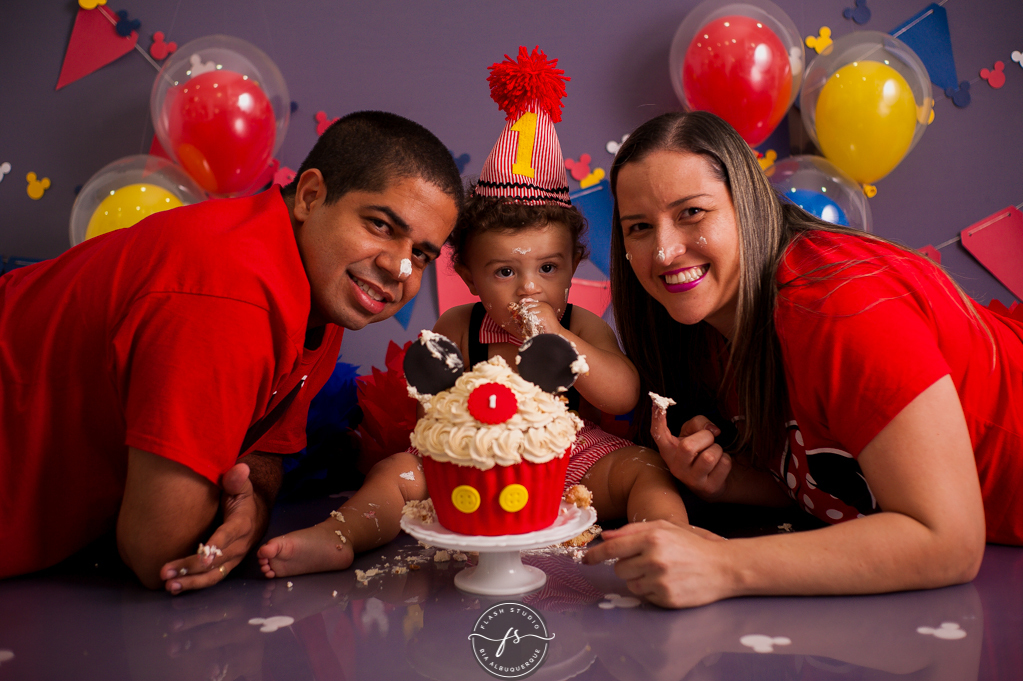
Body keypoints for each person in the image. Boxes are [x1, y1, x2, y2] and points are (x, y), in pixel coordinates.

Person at [256, 46, 690, 580]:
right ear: (468, 277)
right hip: (473, 462)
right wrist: (442, 401)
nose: (529, 288)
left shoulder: (579, 324)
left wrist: (562, 341)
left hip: (569, 459)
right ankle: (342, 534)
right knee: (399, 472)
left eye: (548, 269)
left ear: (575, 264)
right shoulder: (461, 327)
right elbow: (429, 416)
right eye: (505, 273)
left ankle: (669, 539)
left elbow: (623, 395)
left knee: (643, 469)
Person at [0, 111, 462, 593]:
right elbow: (159, 550)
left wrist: (256, 498)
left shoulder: (319, 286)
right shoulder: (230, 296)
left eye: (423, 254)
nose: (399, 267)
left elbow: (263, 446)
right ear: (310, 196)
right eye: (381, 225)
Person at [584, 110, 1023, 608]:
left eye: (692, 212)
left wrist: (723, 566)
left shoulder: (841, 307)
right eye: (639, 227)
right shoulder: (701, 329)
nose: (663, 251)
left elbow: (947, 542)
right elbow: (843, 485)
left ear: (746, 205)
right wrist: (727, 481)